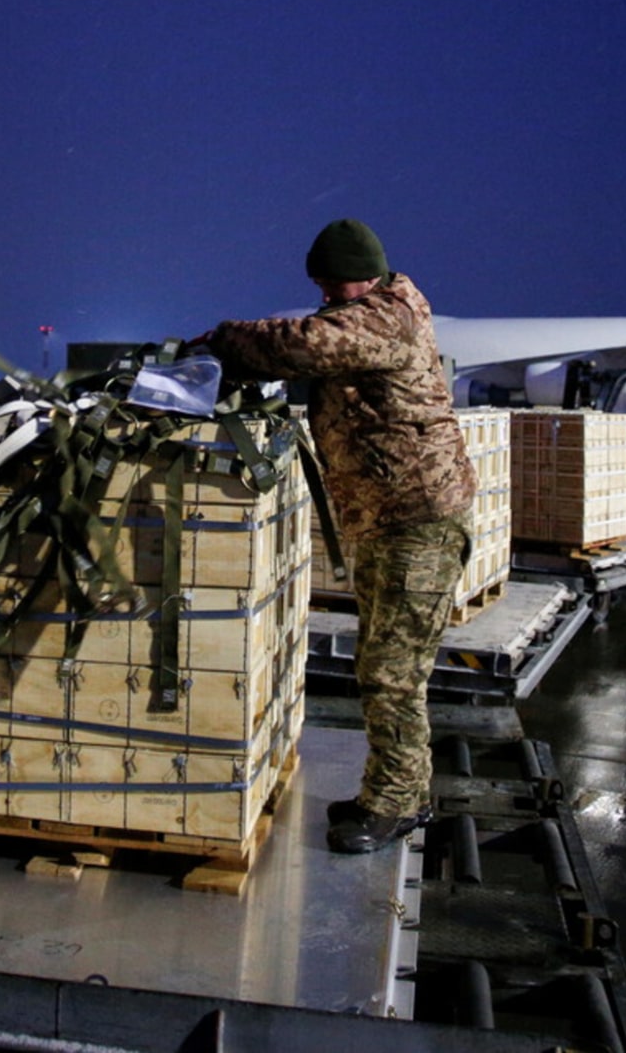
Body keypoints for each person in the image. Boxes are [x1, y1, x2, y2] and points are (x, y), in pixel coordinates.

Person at [198, 219, 476, 854]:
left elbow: (305, 346)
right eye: (320, 285)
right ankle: (401, 791)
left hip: (419, 522)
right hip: (393, 519)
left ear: (368, 276)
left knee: (392, 673)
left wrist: (225, 337)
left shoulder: (387, 317)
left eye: (334, 284)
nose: (325, 296)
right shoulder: (370, 310)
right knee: (383, 663)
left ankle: (395, 805)